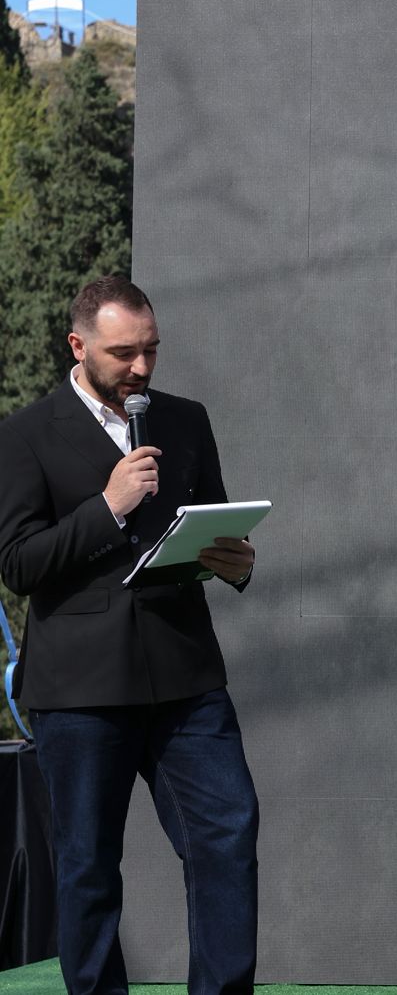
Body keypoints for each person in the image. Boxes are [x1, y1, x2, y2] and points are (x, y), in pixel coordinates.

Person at [0, 275, 260, 995]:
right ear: (78, 346)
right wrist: (108, 507)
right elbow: (18, 563)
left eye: (151, 349)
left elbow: (209, 521)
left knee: (228, 837)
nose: (141, 367)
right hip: (80, 689)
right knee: (87, 865)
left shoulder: (185, 419)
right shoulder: (24, 435)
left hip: (186, 676)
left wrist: (234, 560)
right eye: (123, 353)